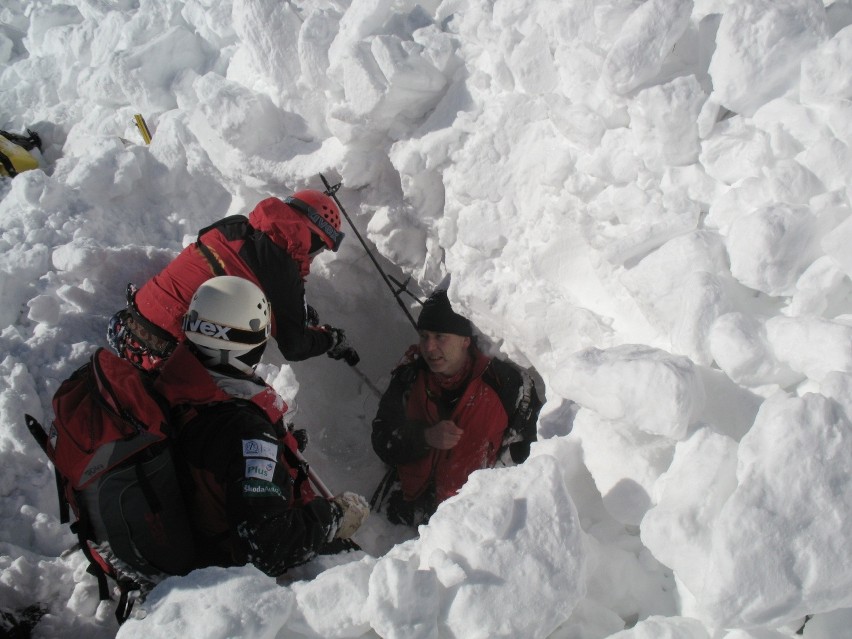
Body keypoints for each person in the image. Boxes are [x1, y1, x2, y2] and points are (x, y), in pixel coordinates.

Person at [153, 275, 369, 575]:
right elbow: (268, 545)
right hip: (246, 565)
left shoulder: (179, 381)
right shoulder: (245, 431)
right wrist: (333, 517)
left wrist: (276, 455)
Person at [108, 189, 358, 371]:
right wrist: (329, 339)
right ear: (312, 237)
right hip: (170, 355)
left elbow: (235, 273)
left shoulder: (234, 225)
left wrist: (287, 310)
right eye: (318, 250)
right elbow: (295, 346)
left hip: (132, 325)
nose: (313, 257)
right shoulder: (284, 273)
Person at [371, 288, 542, 526]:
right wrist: (425, 437)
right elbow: (382, 439)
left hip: (473, 518)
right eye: (424, 337)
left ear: (465, 340)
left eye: (440, 337)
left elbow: (534, 451)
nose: (429, 348)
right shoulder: (409, 377)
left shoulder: (505, 384)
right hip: (407, 509)